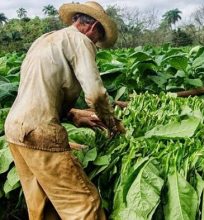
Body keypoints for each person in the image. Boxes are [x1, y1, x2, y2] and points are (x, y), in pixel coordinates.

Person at [4, 1, 124, 219]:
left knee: (42, 208)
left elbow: (38, 91)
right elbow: (96, 94)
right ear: (92, 26)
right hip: (40, 132)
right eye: (98, 37)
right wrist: (111, 122)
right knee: (85, 205)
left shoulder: (44, 40)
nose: (96, 43)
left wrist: (73, 114)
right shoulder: (80, 40)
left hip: (15, 131)